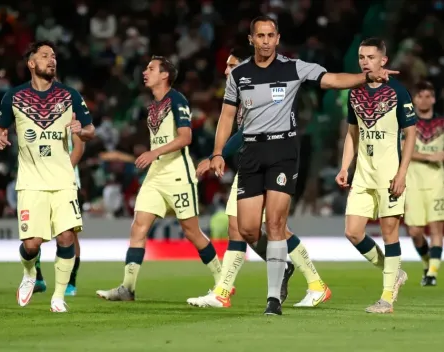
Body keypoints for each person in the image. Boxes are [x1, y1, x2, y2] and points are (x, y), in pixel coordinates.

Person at [211, 16, 397, 316]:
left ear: (278, 37)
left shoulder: (293, 67)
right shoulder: (239, 75)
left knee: (274, 224)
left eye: (271, 35)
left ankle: (273, 300)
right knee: (246, 229)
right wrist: (218, 152)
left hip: (283, 149)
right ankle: (285, 267)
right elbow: (226, 116)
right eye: (260, 36)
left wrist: (367, 77)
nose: (266, 41)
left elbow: (333, 80)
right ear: (251, 39)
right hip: (251, 152)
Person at [187, 47, 330, 309]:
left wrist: (213, 156)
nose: (226, 71)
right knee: (243, 228)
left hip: (269, 165)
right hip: (251, 165)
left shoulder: (257, 91)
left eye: (231, 65)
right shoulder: (242, 93)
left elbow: (242, 135)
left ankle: (313, 283)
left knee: (272, 229)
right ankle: (227, 289)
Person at [96, 56, 222, 301]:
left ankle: (223, 282)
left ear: (164, 75)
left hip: (177, 174)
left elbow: (186, 137)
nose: (145, 72)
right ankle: (127, 288)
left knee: (192, 232)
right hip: (155, 175)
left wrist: (154, 152)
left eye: (151, 69)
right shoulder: (152, 105)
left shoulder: (177, 99)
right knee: (138, 228)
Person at [0, 40, 95, 312]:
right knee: (31, 245)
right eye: (45, 56)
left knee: (66, 238)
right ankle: (30, 274)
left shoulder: (70, 95)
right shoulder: (13, 97)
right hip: (31, 182)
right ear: (31, 63)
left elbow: (90, 130)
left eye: (54, 56)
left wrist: (81, 130)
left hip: (63, 181)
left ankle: (59, 296)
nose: (52, 60)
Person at [336, 38, 416, 313]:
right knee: (353, 232)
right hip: (363, 174)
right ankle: (394, 273)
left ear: (384, 60)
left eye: (370, 57)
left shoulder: (399, 91)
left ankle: (386, 298)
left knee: (389, 233)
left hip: (389, 174)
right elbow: (352, 134)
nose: (364, 61)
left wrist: (402, 172)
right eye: (361, 57)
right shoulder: (354, 91)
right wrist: (345, 166)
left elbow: (411, 134)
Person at [34, 125, 85, 296]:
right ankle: (37, 277)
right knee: (35, 230)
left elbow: (78, 147)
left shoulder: (72, 117)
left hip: (67, 183)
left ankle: (71, 281)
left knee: (69, 232)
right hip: (40, 183)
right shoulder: (40, 117)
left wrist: (61, 173)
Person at [404, 81, 444, 286]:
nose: (424, 100)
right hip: (412, 182)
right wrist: (431, 157)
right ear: (415, 99)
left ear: (434, 99)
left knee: (437, 229)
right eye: (420, 96)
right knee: (415, 232)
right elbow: (404, 150)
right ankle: (428, 263)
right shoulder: (407, 123)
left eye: (428, 96)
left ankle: (432, 275)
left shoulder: (442, 124)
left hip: (437, 182)